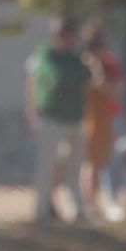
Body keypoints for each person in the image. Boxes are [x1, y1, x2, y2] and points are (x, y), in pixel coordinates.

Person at [21, 24, 87, 224]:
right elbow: (41, 84)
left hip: (74, 118)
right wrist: (31, 114)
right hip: (50, 117)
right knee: (47, 164)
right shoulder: (43, 57)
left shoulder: (75, 58)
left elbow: (87, 78)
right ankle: (41, 209)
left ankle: (76, 208)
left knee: (73, 166)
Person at [76, 24, 124, 221]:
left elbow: (117, 90)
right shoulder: (86, 64)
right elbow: (97, 85)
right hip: (90, 120)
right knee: (91, 164)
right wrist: (95, 67)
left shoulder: (109, 63)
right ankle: (90, 203)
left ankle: (105, 201)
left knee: (104, 162)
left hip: (108, 118)